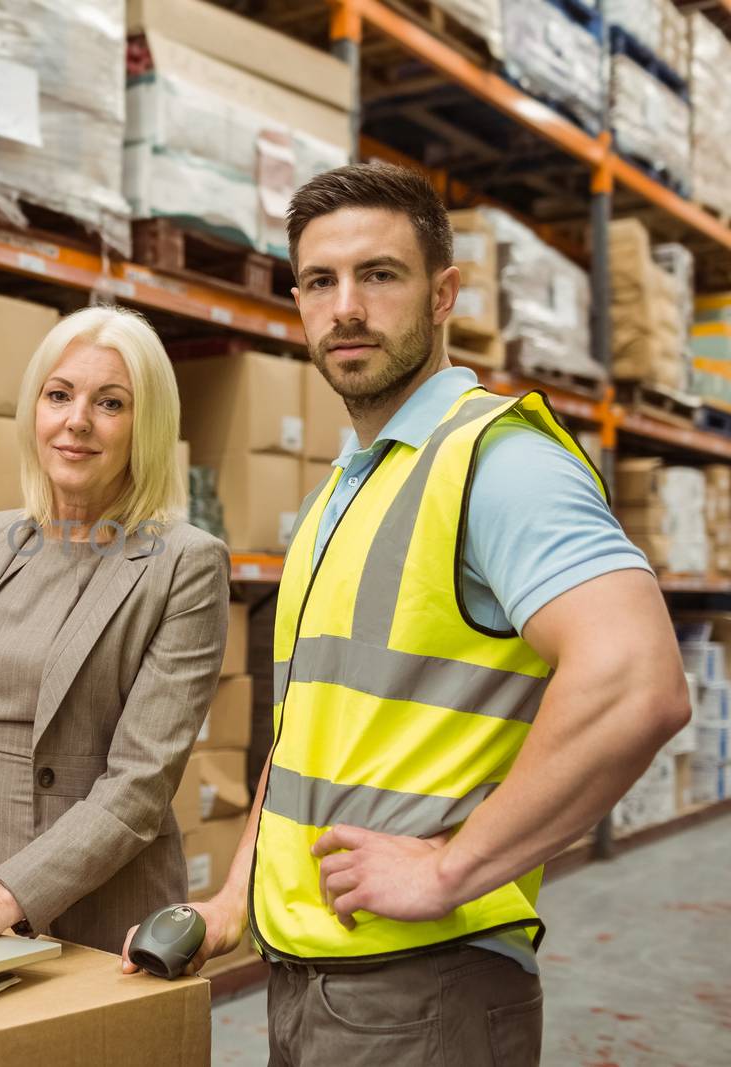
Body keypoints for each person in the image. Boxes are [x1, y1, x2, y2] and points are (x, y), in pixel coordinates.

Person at [122, 162, 690, 1063]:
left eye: (378, 275)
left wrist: (451, 867)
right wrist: (238, 895)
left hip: (427, 985)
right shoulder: (345, 491)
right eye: (319, 281)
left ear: (443, 295)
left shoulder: (495, 461)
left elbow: (638, 681)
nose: (346, 306)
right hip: (314, 976)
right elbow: (309, 737)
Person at [0, 305, 231, 956]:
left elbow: (138, 785)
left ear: (145, 425)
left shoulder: (184, 562)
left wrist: (0, 899)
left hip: (91, 919)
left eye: (110, 403)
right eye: (58, 395)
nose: (76, 421)